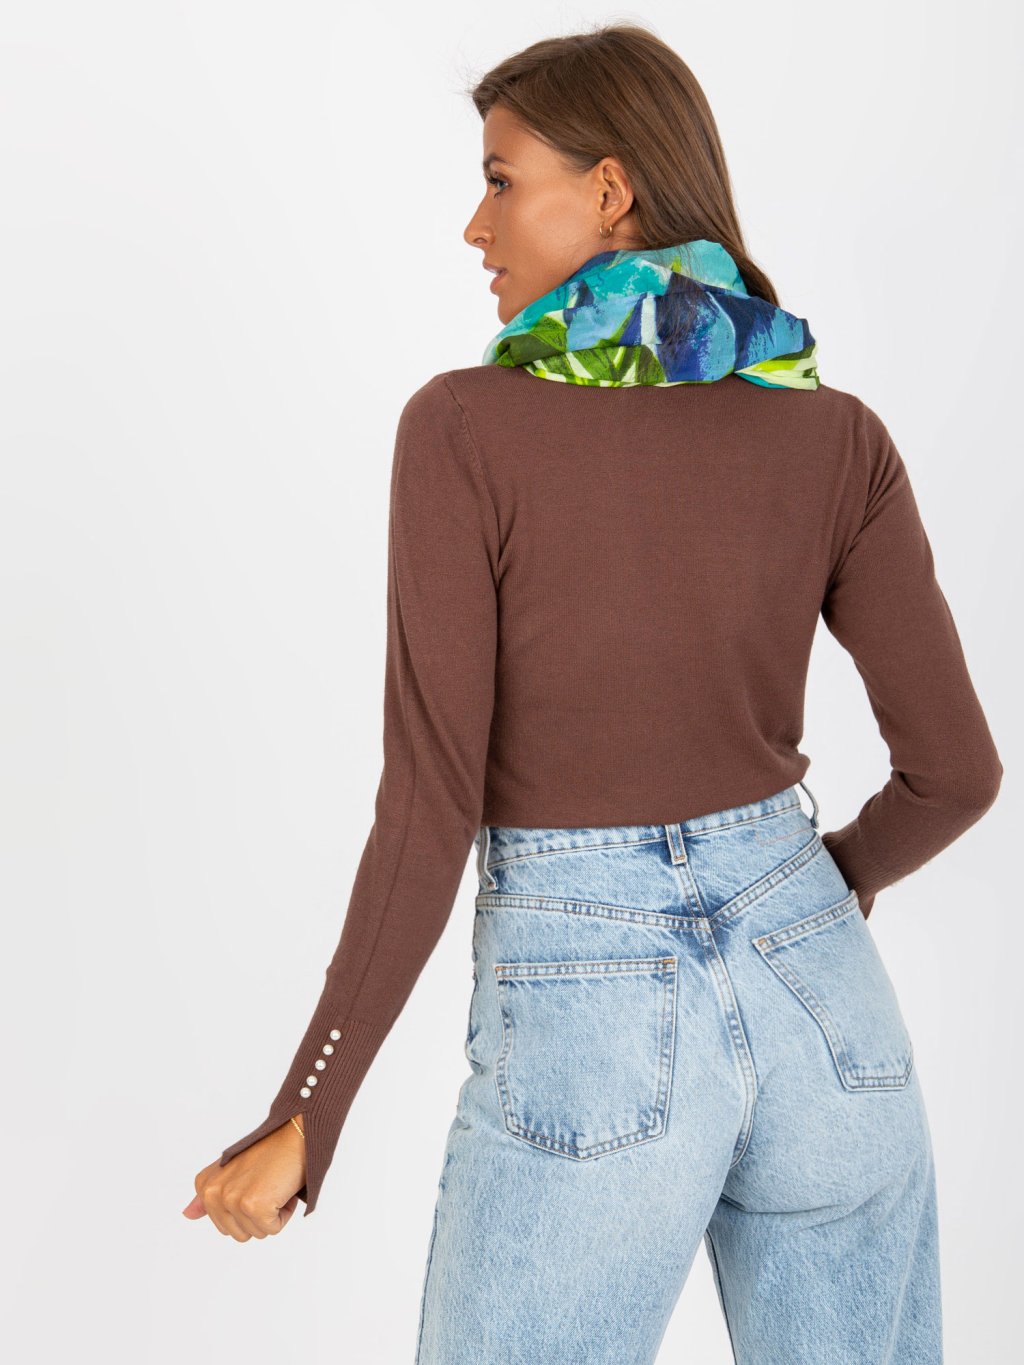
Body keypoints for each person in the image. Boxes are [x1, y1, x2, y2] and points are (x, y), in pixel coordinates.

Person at [185, 23, 1002, 1364]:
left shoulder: (464, 431)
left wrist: (308, 1110)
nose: (474, 225)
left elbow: (429, 808)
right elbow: (958, 776)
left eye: (501, 180)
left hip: (592, 1018)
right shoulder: (835, 432)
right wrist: (819, 888)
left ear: (611, 190)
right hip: (828, 1007)